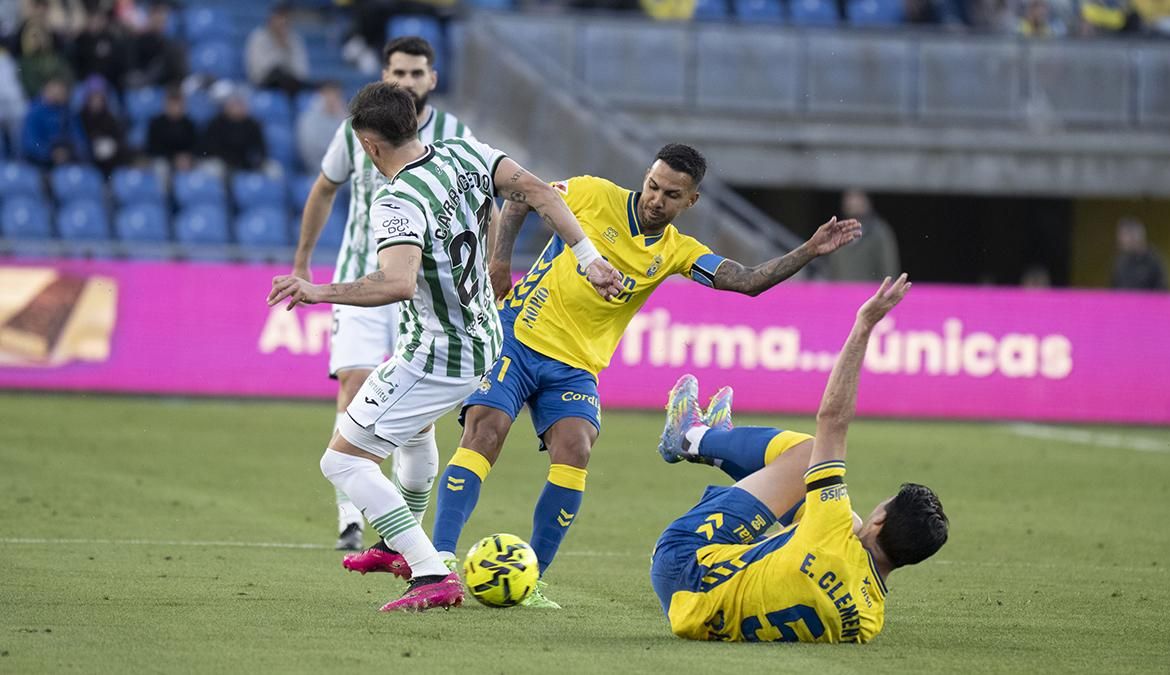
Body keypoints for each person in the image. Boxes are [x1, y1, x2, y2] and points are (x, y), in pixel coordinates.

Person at [412, 144, 862, 609]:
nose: (655, 199)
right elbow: (522, 196)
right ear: (644, 177)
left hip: (576, 365)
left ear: (690, 202)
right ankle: (441, 562)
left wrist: (807, 251)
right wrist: (500, 261)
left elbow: (744, 280)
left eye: (671, 194)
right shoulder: (590, 194)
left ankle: (532, 580)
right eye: (652, 186)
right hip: (519, 333)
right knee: (486, 427)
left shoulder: (677, 251)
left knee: (576, 448)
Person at [267, 83, 622, 612]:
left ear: (369, 146)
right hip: (480, 334)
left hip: (439, 352)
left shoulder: (398, 200)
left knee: (341, 464)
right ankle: (395, 546)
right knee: (410, 438)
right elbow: (542, 192)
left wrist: (318, 290)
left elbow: (397, 283)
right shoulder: (465, 152)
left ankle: (430, 569)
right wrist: (590, 257)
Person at [650, 275, 949, 642]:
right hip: (705, 622)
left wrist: (864, 326)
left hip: (682, 565)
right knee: (834, 515)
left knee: (808, 455)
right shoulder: (869, 623)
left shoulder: (832, 530)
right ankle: (718, 445)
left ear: (880, 521)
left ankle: (695, 439)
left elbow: (832, 421)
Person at [290, 36, 476, 552]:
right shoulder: (357, 131)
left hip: (424, 293)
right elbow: (325, 187)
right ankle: (352, 514)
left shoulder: (457, 136)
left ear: (432, 79)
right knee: (355, 383)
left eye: (417, 73)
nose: (407, 82)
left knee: (414, 423)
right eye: (398, 72)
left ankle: (400, 531)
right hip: (360, 280)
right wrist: (303, 259)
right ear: (385, 74)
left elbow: (483, 202)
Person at [823, 190, 901, 283]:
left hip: (870, 294)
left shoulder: (879, 232)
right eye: (848, 197)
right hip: (841, 293)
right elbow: (831, 268)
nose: (852, 202)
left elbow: (889, 269)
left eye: (857, 196)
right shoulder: (837, 231)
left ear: (867, 201)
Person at [244, 3, 309, 95]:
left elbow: (301, 71)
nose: (281, 23)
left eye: (285, 19)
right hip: (265, 81)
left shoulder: (295, 39)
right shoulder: (258, 37)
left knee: (308, 87)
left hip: (290, 80)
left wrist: (286, 49)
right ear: (270, 19)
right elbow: (256, 70)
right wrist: (278, 49)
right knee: (281, 76)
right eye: (279, 18)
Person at [199, 86, 267, 174]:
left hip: (246, 163)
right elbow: (209, 148)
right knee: (213, 168)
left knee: (271, 170)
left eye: (240, 104)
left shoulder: (252, 125)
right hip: (223, 162)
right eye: (234, 105)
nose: (237, 108)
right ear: (227, 106)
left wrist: (256, 160)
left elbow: (260, 148)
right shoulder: (216, 123)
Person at [21, 77, 84, 167]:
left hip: (68, 162)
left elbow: (79, 139)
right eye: (54, 88)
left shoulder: (69, 113)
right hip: (39, 164)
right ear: (45, 89)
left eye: (61, 89)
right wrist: (51, 154)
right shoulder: (34, 112)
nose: (58, 92)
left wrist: (68, 153)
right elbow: (30, 144)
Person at [77, 75, 129, 176]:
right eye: (93, 97)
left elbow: (119, 139)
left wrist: (112, 145)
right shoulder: (79, 117)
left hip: (109, 160)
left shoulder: (110, 118)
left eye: (100, 97)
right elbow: (77, 137)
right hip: (87, 157)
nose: (97, 101)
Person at [296, 81, 344, 175]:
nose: (333, 100)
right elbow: (309, 150)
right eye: (329, 95)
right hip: (319, 166)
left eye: (337, 96)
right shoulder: (309, 119)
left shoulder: (342, 117)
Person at [146, 86, 197, 172]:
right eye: (172, 104)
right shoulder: (156, 124)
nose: (175, 108)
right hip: (164, 159)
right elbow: (153, 148)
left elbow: (195, 145)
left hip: (187, 160)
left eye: (178, 104)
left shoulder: (189, 124)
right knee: (160, 167)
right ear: (166, 105)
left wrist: (188, 156)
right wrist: (174, 158)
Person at [1110, 217, 1168, 291]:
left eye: (1124, 236)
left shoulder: (1153, 259)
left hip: (1147, 301)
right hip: (1125, 302)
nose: (1121, 241)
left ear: (1135, 236)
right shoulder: (1120, 261)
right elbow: (1114, 288)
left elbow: (1163, 288)